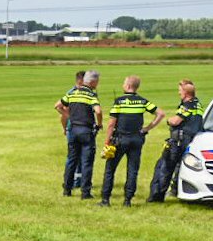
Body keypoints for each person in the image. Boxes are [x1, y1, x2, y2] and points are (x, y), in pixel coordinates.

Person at [100, 75, 162, 206]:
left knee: (110, 169)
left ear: (128, 86)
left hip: (120, 139)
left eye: (124, 83)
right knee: (133, 170)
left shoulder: (119, 101)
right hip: (137, 139)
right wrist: (147, 128)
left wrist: (107, 141)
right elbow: (160, 114)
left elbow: (111, 124)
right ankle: (127, 200)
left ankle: (105, 200)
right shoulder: (142, 101)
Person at [147, 80, 201, 203]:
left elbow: (176, 121)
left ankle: (157, 196)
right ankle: (175, 190)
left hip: (179, 141)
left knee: (164, 167)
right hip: (190, 141)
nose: (179, 93)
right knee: (180, 167)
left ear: (186, 93)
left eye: (180, 91)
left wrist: (169, 120)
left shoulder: (188, 105)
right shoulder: (198, 104)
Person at [55, 69, 101, 199]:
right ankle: (85, 192)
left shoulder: (72, 93)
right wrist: (99, 124)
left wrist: (70, 117)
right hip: (86, 130)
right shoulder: (91, 95)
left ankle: (67, 190)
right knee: (86, 162)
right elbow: (98, 111)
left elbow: (57, 105)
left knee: (71, 160)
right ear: (92, 82)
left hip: (73, 129)